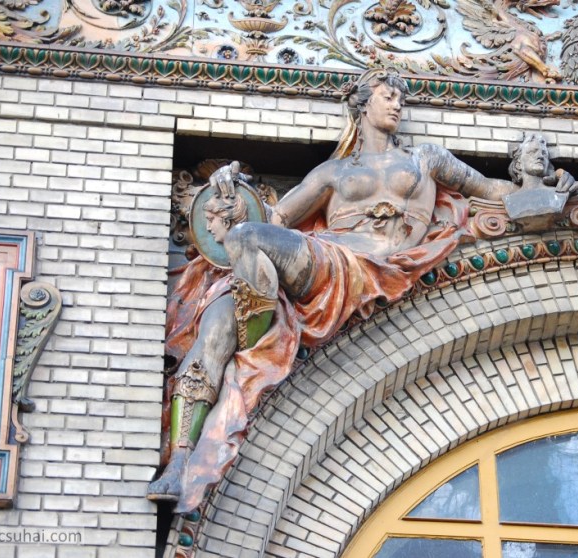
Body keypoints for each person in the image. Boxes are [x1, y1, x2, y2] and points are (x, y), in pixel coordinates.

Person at [148, 69, 529, 512]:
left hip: (376, 264)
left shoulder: (426, 157)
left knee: (245, 245)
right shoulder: (332, 172)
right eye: (388, 96)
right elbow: (275, 220)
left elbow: (489, 188)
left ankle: (256, 333)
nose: (398, 104)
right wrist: (234, 193)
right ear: (363, 104)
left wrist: (536, 189)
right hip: (330, 260)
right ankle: (180, 460)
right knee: (217, 319)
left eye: (401, 98)